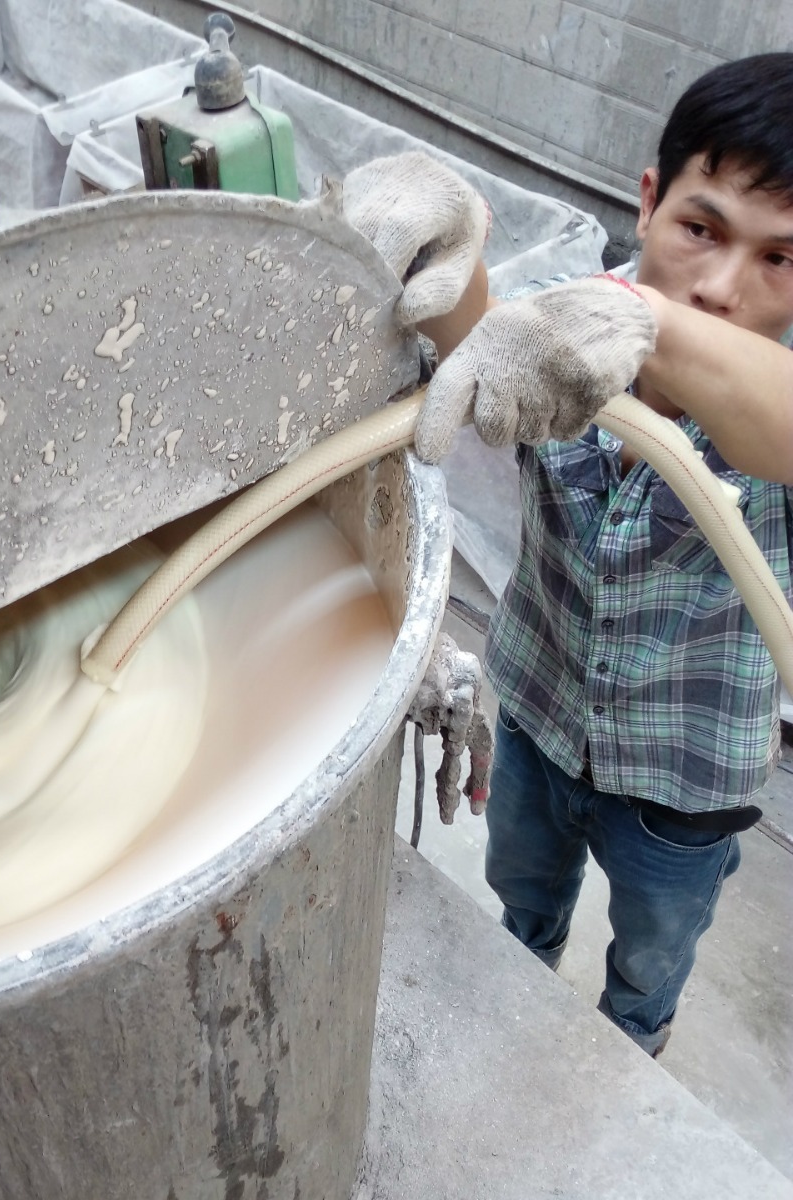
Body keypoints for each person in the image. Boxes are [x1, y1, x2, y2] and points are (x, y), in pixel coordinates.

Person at [343, 52, 793, 1056]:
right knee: (523, 890)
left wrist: (649, 325)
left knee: (650, 952)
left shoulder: (773, 395)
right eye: (701, 229)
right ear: (647, 202)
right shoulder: (564, 319)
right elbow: (484, 337)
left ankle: (630, 1042)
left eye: (782, 259)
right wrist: (443, 246)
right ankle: (521, 970)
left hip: (685, 783)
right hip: (542, 715)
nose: (723, 286)